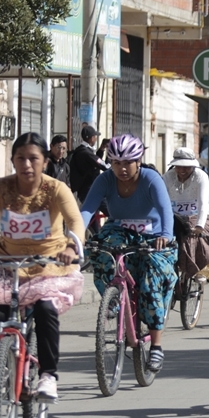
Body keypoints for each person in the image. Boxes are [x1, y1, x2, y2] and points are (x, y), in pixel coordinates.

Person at [0, 133, 85, 402]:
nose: (26, 164)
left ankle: (49, 375)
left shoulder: (56, 189)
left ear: (45, 162)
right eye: (20, 158)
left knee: (46, 309)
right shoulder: (0, 187)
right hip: (7, 261)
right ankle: (2, 367)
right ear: (12, 161)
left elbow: (75, 222)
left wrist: (72, 248)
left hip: (47, 265)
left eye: (33, 158)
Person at [81, 134, 177, 373]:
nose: (122, 169)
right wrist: (76, 234)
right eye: (116, 163)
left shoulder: (151, 179)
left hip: (153, 237)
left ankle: (156, 346)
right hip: (120, 231)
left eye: (128, 163)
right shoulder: (105, 180)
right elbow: (87, 208)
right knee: (100, 250)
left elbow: (166, 209)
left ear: (138, 161)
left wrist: (165, 234)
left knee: (151, 279)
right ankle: (113, 298)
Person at [163, 147, 209, 283]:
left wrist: (199, 225)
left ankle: (199, 268)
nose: (182, 171)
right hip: (174, 215)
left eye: (186, 167)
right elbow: (162, 201)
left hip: (198, 214)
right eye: (178, 167)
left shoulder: (201, 176)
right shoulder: (167, 177)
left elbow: (203, 203)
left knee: (195, 233)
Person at [69, 125, 106, 203]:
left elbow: (95, 160)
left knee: (92, 214)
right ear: (92, 138)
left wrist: (102, 148)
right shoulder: (85, 152)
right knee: (109, 209)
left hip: (88, 190)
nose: (96, 139)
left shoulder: (84, 150)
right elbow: (102, 164)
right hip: (88, 191)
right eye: (95, 136)